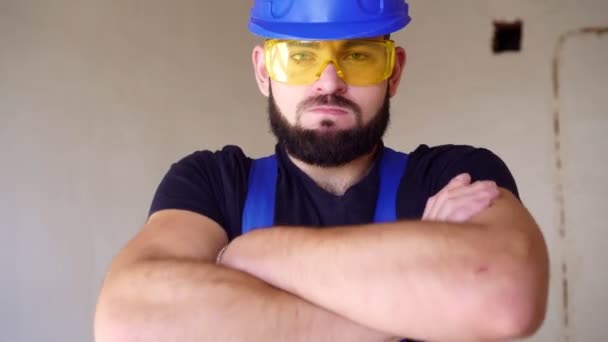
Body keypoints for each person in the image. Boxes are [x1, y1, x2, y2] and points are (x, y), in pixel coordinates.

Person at [94, 1, 549, 341]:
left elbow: (505, 295)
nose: (329, 81)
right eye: (300, 57)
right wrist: (412, 307)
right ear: (263, 72)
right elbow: (129, 320)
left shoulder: (455, 174)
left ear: (393, 73)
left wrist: (252, 254)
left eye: (359, 56)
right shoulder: (210, 183)